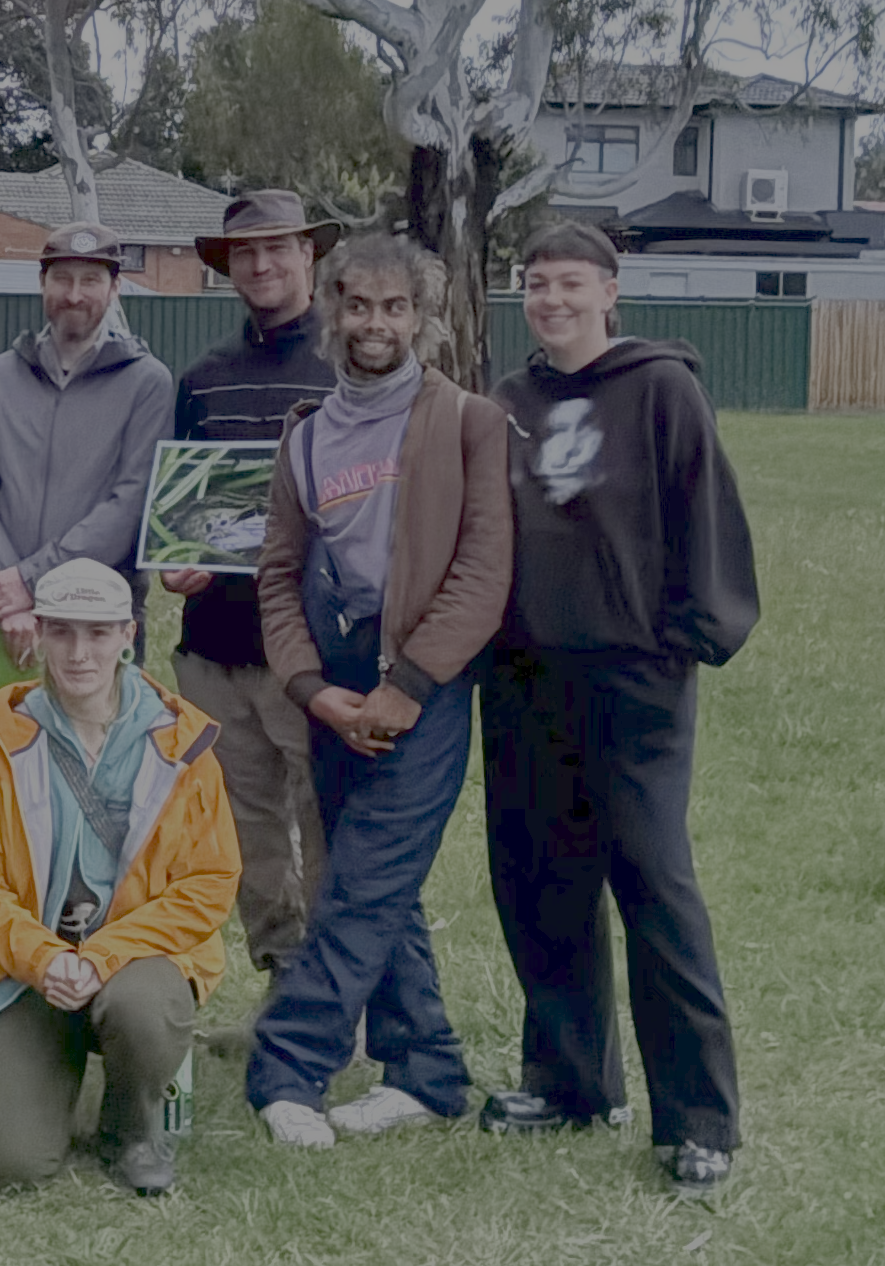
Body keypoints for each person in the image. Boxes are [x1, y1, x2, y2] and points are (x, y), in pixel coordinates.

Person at [482, 221, 759, 1199]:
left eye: (567, 284)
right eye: (533, 284)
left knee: (652, 886)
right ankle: (567, 1083)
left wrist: (680, 640)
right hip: (522, 683)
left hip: (630, 681)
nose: (549, 300)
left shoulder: (660, 389)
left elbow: (702, 515)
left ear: (608, 292)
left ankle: (698, 1121)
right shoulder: (505, 404)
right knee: (536, 887)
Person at [245, 235, 512, 1152]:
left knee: (361, 881)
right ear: (332, 313)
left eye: (394, 308)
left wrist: (409, 686)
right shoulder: (306, 433)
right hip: (337, 680)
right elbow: (276, 573)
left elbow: (483, 569)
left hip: (424, 682)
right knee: (376, 876)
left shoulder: (466, 420)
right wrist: (312, 688)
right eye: (357, 305)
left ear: (422, 319)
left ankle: (286, 1067)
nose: (374, 324)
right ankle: (428, 1072)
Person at [0, 559, 238, 1195]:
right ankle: (47, 1062)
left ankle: (132, 1130)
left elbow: (209, 883)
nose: (79, 654)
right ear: (39, 634)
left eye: (98, 634)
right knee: (7, 1168)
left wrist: (101, 958)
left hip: (137, 962)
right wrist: (45, 959)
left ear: (129, 634)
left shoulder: (181, 742)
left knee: (141, 1008)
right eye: (63, 632)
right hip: (29, 968)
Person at [160, 191, 341, 974]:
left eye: (278, 249)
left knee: (327, 825)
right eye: (245, 253)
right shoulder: (201, 379)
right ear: (226, 268)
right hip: (213, 649)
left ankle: (338, 1001)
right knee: (245, 834)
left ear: (310, 255)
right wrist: (171, 556)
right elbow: (178, 507)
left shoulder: (345, 370)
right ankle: (281, 984)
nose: (262, 265)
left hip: (308, 651)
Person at [0, 221, 172, 719]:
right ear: (42, 284)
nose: (75, 294)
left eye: (91, 281)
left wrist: (33, 582)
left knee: (94, 779)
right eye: (62, 278)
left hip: (95, 624)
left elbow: (130, 501)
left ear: (115, 288)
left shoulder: (147, 383)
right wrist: (9, 596)